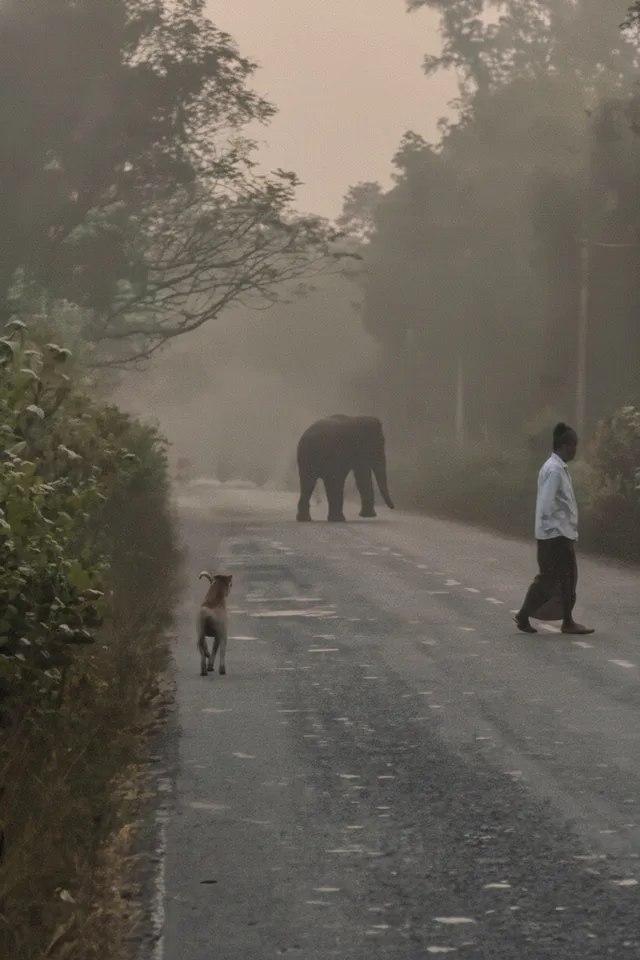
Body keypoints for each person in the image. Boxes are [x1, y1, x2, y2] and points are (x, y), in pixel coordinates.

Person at [514, 422, 594, 636]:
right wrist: (559, 526)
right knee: (550, 580)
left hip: (558, 534)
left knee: (565, 578)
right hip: (555, 535)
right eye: (574, 445)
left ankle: (566, 620)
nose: (576, 450)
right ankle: (526, 615)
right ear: (565, 446)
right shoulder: (555, 470)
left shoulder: (555, 467)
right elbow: (547, 504)